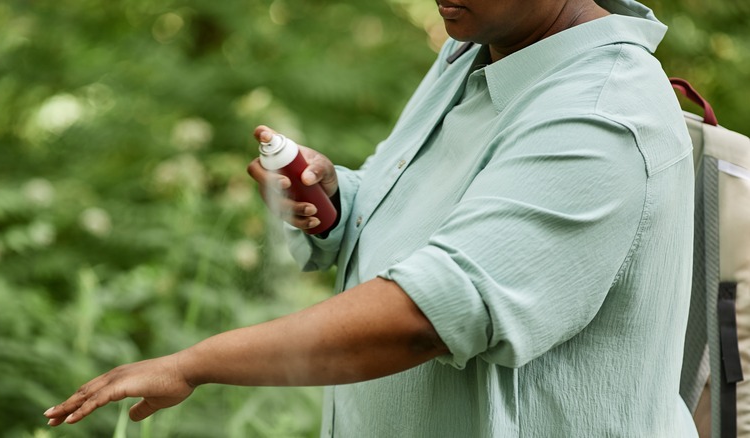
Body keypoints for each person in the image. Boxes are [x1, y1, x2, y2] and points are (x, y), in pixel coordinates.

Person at [45, 0, 698, 436]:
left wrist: (197, 362)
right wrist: (338, 202)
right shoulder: (478, 50)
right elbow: (421, 226)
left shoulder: (601, 115)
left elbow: (424, 318)